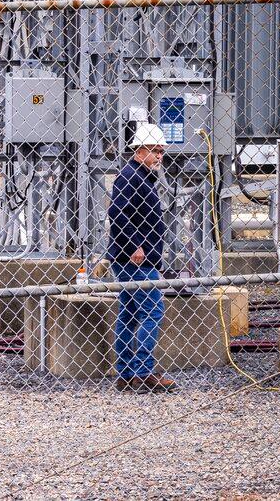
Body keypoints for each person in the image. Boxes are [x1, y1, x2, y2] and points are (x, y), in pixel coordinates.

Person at [108, 123, 176, 393]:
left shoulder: (140, 176)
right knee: (152, 311)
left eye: (161, 151)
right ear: (139, 151)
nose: (159, 156)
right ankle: (144, 371)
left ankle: (126, 374)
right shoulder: (131, 177)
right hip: (136, 260)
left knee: (129, 314)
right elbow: (117, 213)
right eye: (154, 151)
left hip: (129, 259)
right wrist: (135, 245)